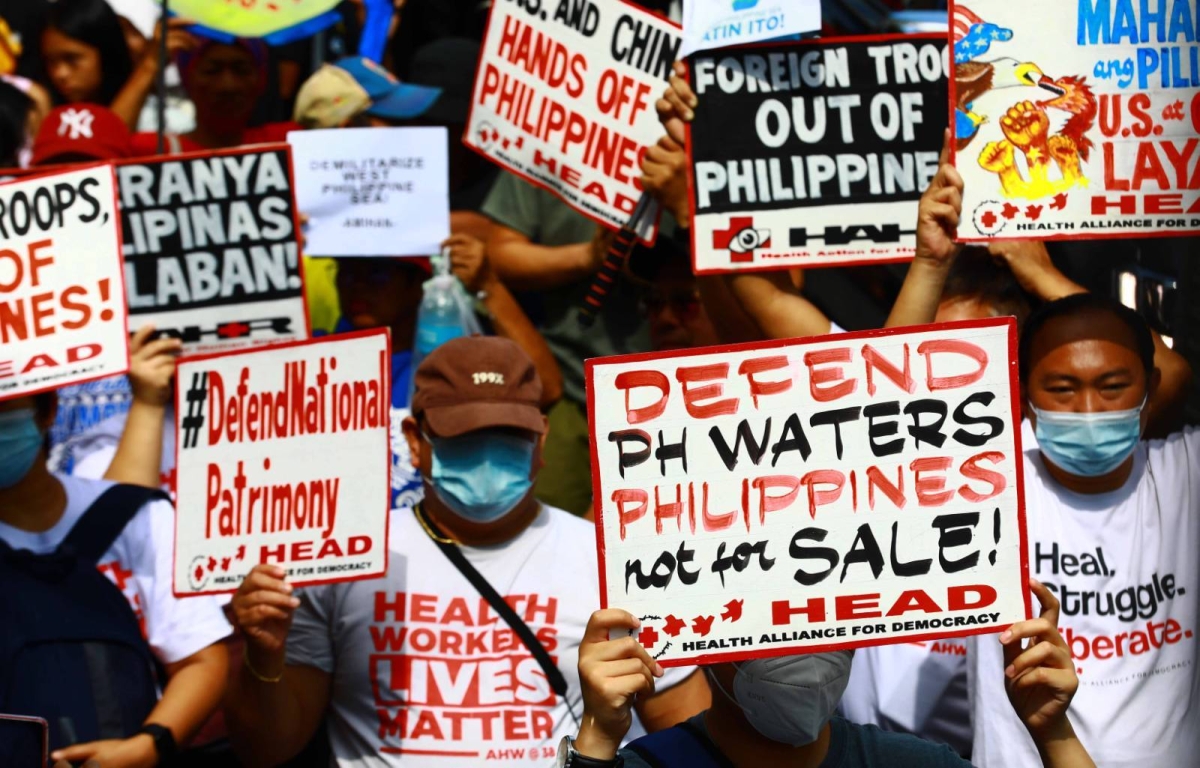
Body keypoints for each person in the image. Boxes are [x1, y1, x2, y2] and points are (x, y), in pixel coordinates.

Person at [224, 336, 708, 767]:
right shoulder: (345, 559)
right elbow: (268, 750)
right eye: (465, 436)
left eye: (508, 437)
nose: (487, 455)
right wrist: (263, 654)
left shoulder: (612, 564)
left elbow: (689, 736)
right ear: (415, 441)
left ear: (541, 439)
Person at [966, 291, 1200, 767]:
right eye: (1062, 388)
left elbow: (1180, 370)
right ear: (1024, 396)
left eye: (1112, 386)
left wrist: (1038, 271)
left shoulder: (1188, 474)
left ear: (1150, 390)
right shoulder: (983, 487)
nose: (1089, 410)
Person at [564, 580, 1095, 768]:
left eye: (819, 607)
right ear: (695, 635)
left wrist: (1054, 734)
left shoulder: (912, 766)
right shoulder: (647, 766)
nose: (795, 635)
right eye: (760, 612)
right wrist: (597, 739)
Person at [0, 393, 230, 767]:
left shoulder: (134, 514)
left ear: (47, 410)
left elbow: (199, 658)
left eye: (1, 408)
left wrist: (145, 749)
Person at [130, 36, 298, 155]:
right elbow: (106, 149)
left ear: (261, 79)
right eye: (212, 71)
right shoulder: (155, 150)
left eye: (242, 70)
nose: (228, 86)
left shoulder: (287, 142)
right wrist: (150, 65)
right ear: (186, 78)